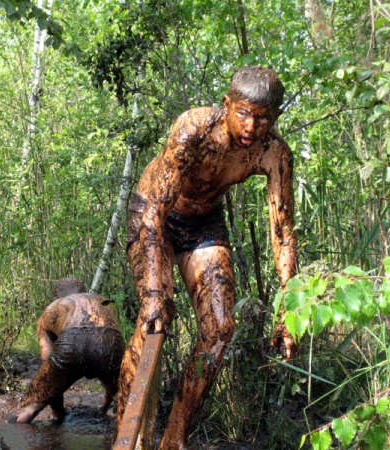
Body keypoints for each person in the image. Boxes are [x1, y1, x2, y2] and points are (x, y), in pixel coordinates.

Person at [114, 66, 298, 449]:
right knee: (154, 319)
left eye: (263, 118)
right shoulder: (195, 128)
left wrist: (290, 311)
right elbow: (153, 216)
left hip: (203, 225)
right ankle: (127, 438)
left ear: (276, 118)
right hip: (154, 217)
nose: (251, 126)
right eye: (244, 113)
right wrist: (153, 293)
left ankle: (174, 439)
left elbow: (282, 231)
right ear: (227, 104)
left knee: (219, 330)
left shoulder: (274, 153)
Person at [7, 278, 125, 423]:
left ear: (56, 296)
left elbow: (47, 360)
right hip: (108, 341)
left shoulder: (53, 308)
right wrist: (107, 403)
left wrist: (58, 412)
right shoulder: (103, 301)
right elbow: (112, 367)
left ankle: (19, 422)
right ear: (83, 291)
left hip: (71, 342)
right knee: (127, 401)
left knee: (31, 405)